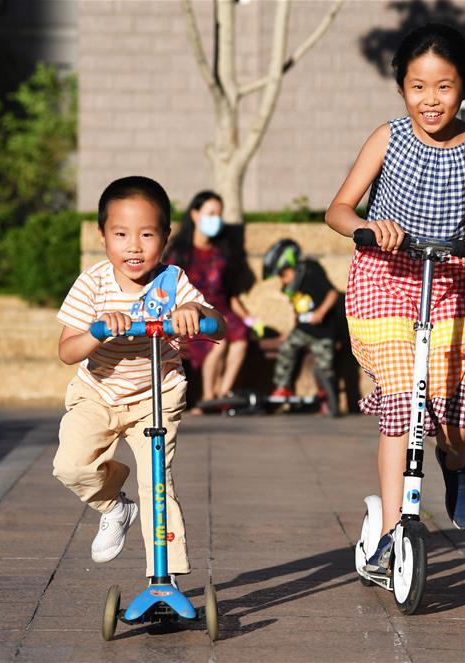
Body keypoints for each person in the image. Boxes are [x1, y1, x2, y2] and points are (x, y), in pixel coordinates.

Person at [325, 23, 465, 573]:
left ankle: (455, 464)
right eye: (417, 87)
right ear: (401, 88)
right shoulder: (388, 138)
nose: (430, 100)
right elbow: (337, 209)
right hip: (386, 278)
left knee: (457, 425)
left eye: (444, 86)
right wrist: (368, 227)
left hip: (458, 279)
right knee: (403, 397)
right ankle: (390, 530)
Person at [53, 176, 226, 580]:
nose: (134, 246)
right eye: (121, 234)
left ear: (165, 237)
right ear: (102, 236)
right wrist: (97, 330)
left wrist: (195, 316)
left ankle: (164, 578)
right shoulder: (92, 283)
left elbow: (218, 327)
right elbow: (66, 351)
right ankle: (115, 506)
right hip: (97, 393)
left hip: (156, 396)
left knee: (157, 485)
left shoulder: (173, 282)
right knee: (70, 465)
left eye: (147, 234)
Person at [165, 191, 253, 410]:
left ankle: (223, 393)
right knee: (219, 341)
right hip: (193, 311)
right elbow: (167, 289)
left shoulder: (221, 252)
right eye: (211, 213)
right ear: (195, 214)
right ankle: (208, 398)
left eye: (219, 214)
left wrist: (249, 317)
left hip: (222, 309)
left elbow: (230, 292)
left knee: (241, 334)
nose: (216, 218)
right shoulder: (179, 253)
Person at [263, 239, 340, 415]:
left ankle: (326, 396)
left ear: (292, 266)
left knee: (325, 366)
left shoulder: (311, 271)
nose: (282, 280)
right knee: (286, 349)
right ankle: (282, 387)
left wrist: (321, 312)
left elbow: (332, 294)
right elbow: (297, 309)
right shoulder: (290, 287)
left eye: (283, 274)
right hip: (303, 330)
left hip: (323, 331)